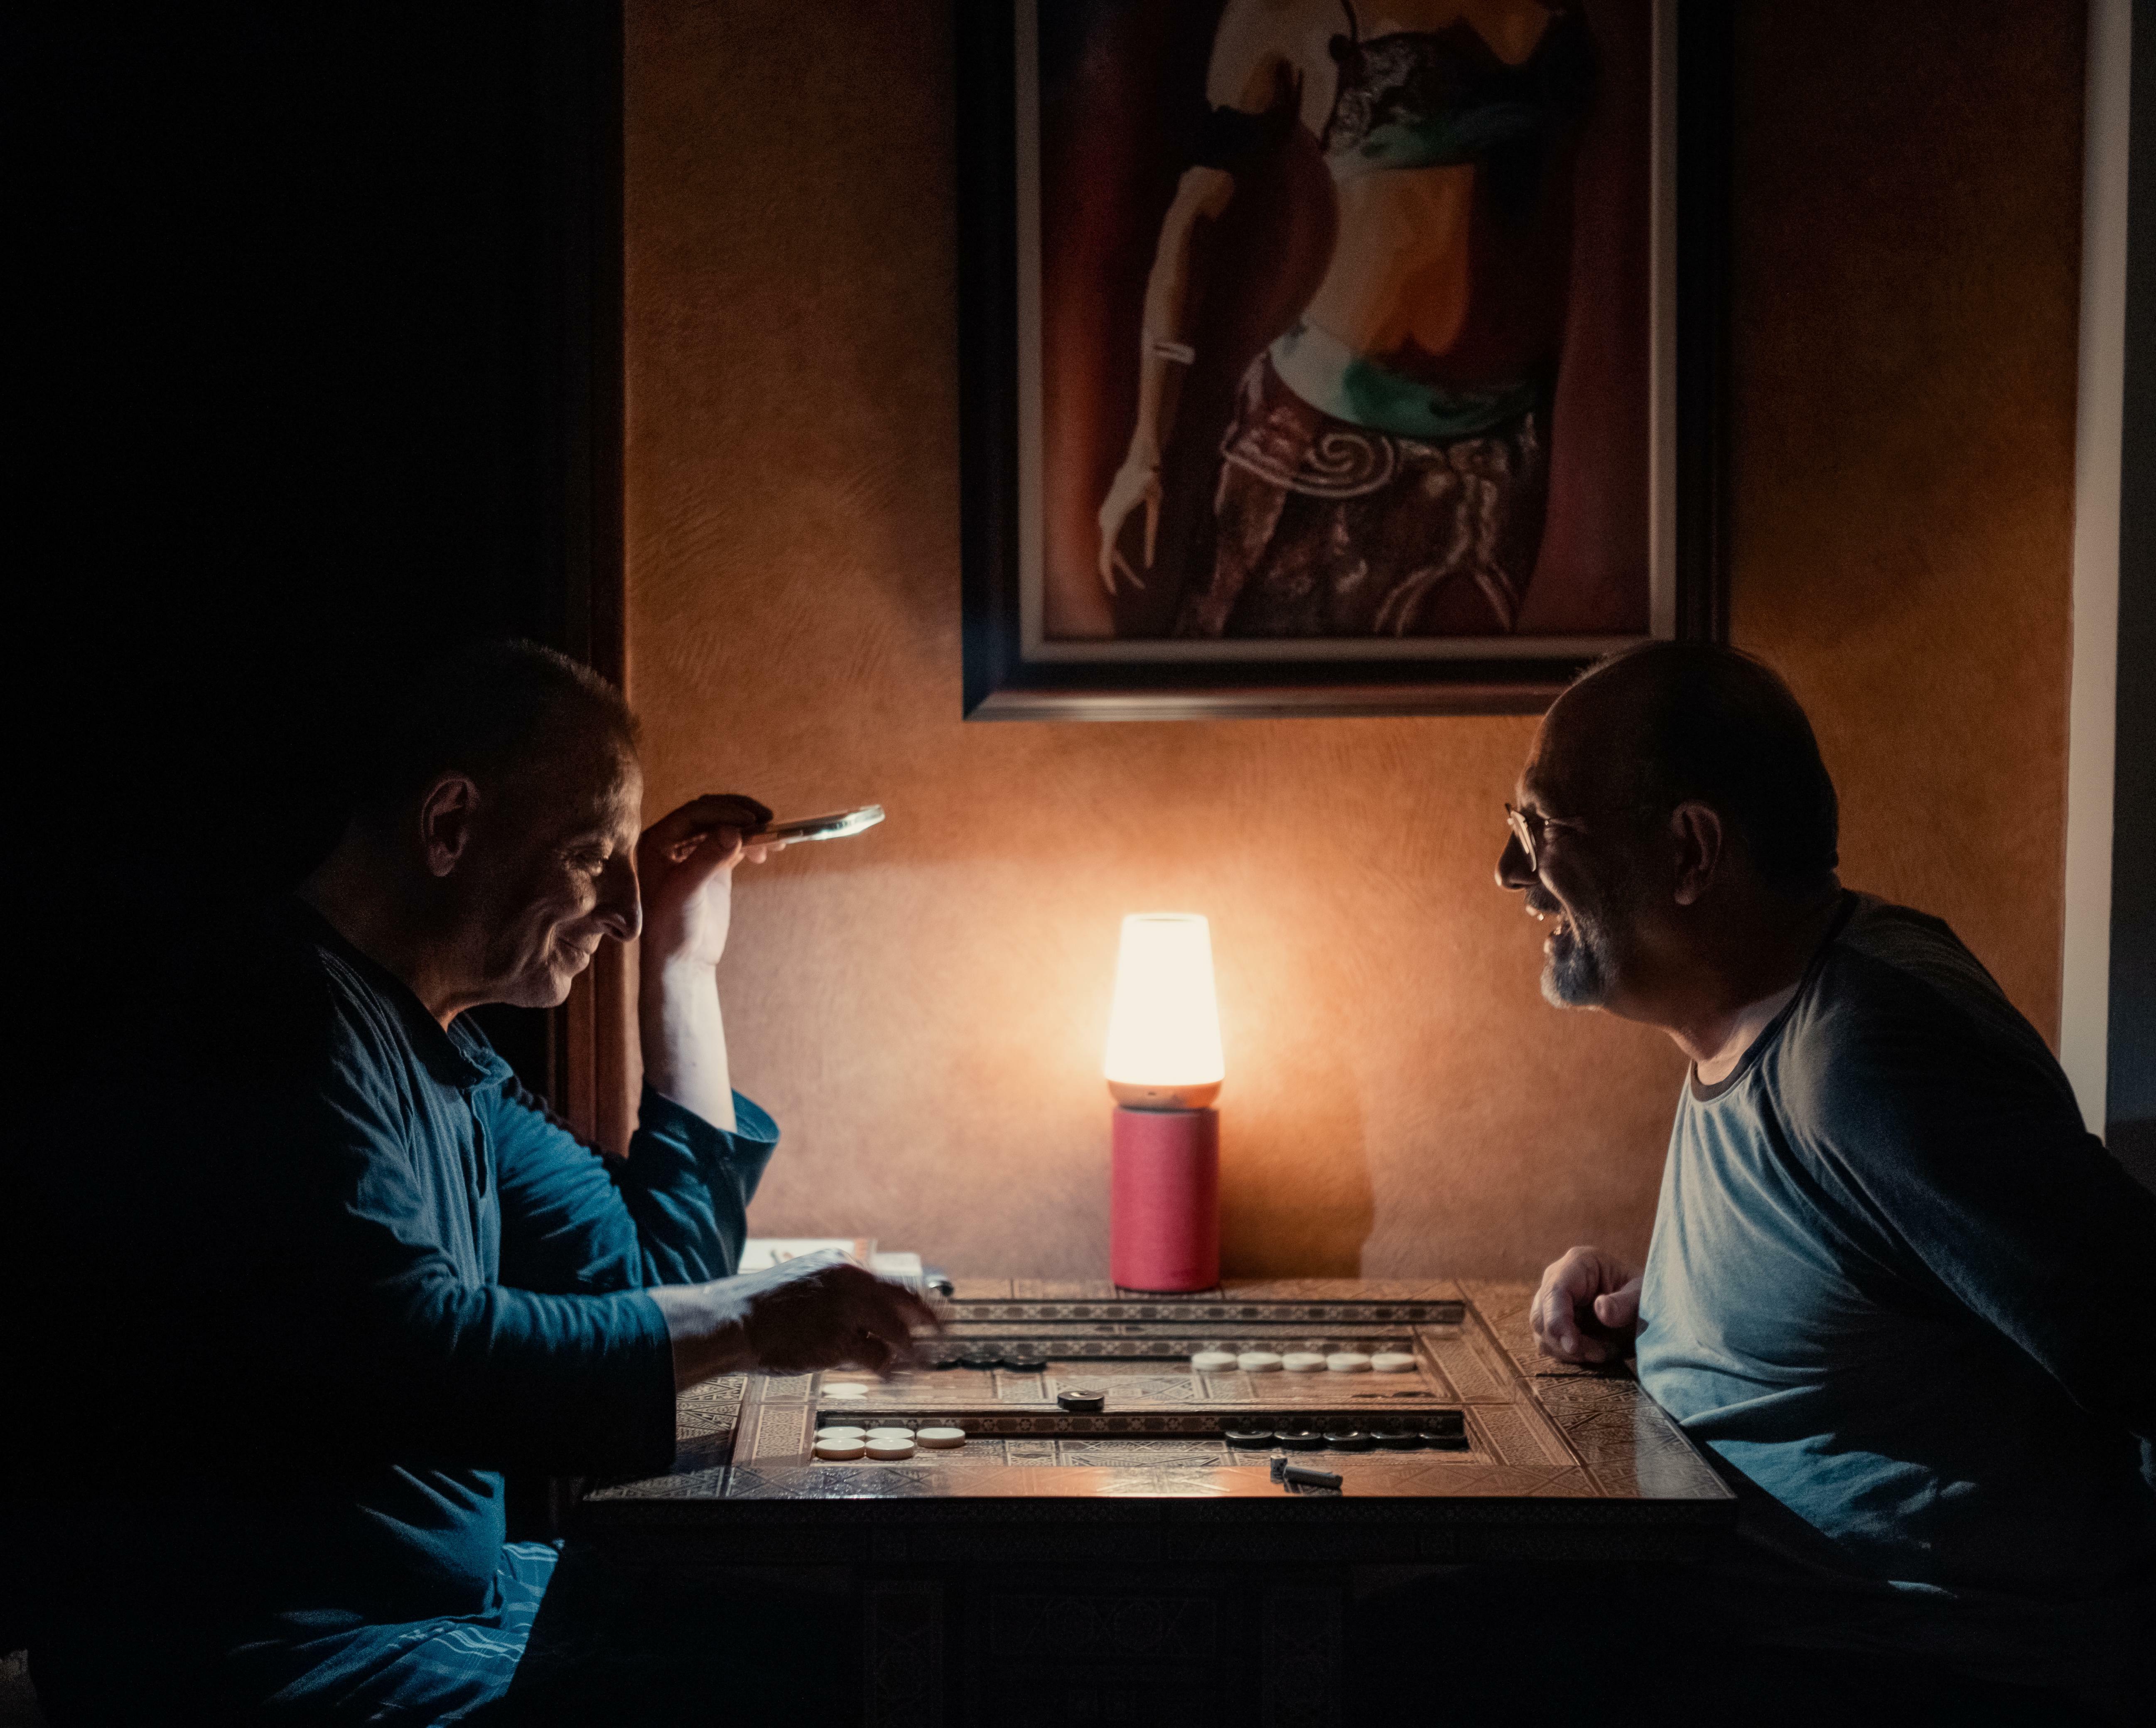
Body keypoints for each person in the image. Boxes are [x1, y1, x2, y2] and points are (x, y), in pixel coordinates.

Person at [12, 640, 935, 1725]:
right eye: (598, 858)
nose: (625, 910)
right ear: (451, 826)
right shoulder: (274, 1023)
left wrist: (681, 970)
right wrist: (753, 1319)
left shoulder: (446, 1052)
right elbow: (423, 1352)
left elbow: (653, 1273)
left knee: (848, 1648)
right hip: (284, 1658)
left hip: (443, 1609)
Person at [1504, 641, 2156, 1724]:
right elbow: (1876, 1294)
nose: (1512, 879)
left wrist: (2128, 1642)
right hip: (1774, 1615)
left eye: (1537, 834)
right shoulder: (1752, 1012)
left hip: (1893, 1665)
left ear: (1691, 854)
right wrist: (1660, 1313)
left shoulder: (1866, 1059)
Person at [1094, 0, 1596, 638]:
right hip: (1316, 439)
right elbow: (1192, 223)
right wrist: (1145, 449)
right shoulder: (1280, 11)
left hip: (1503, 449)